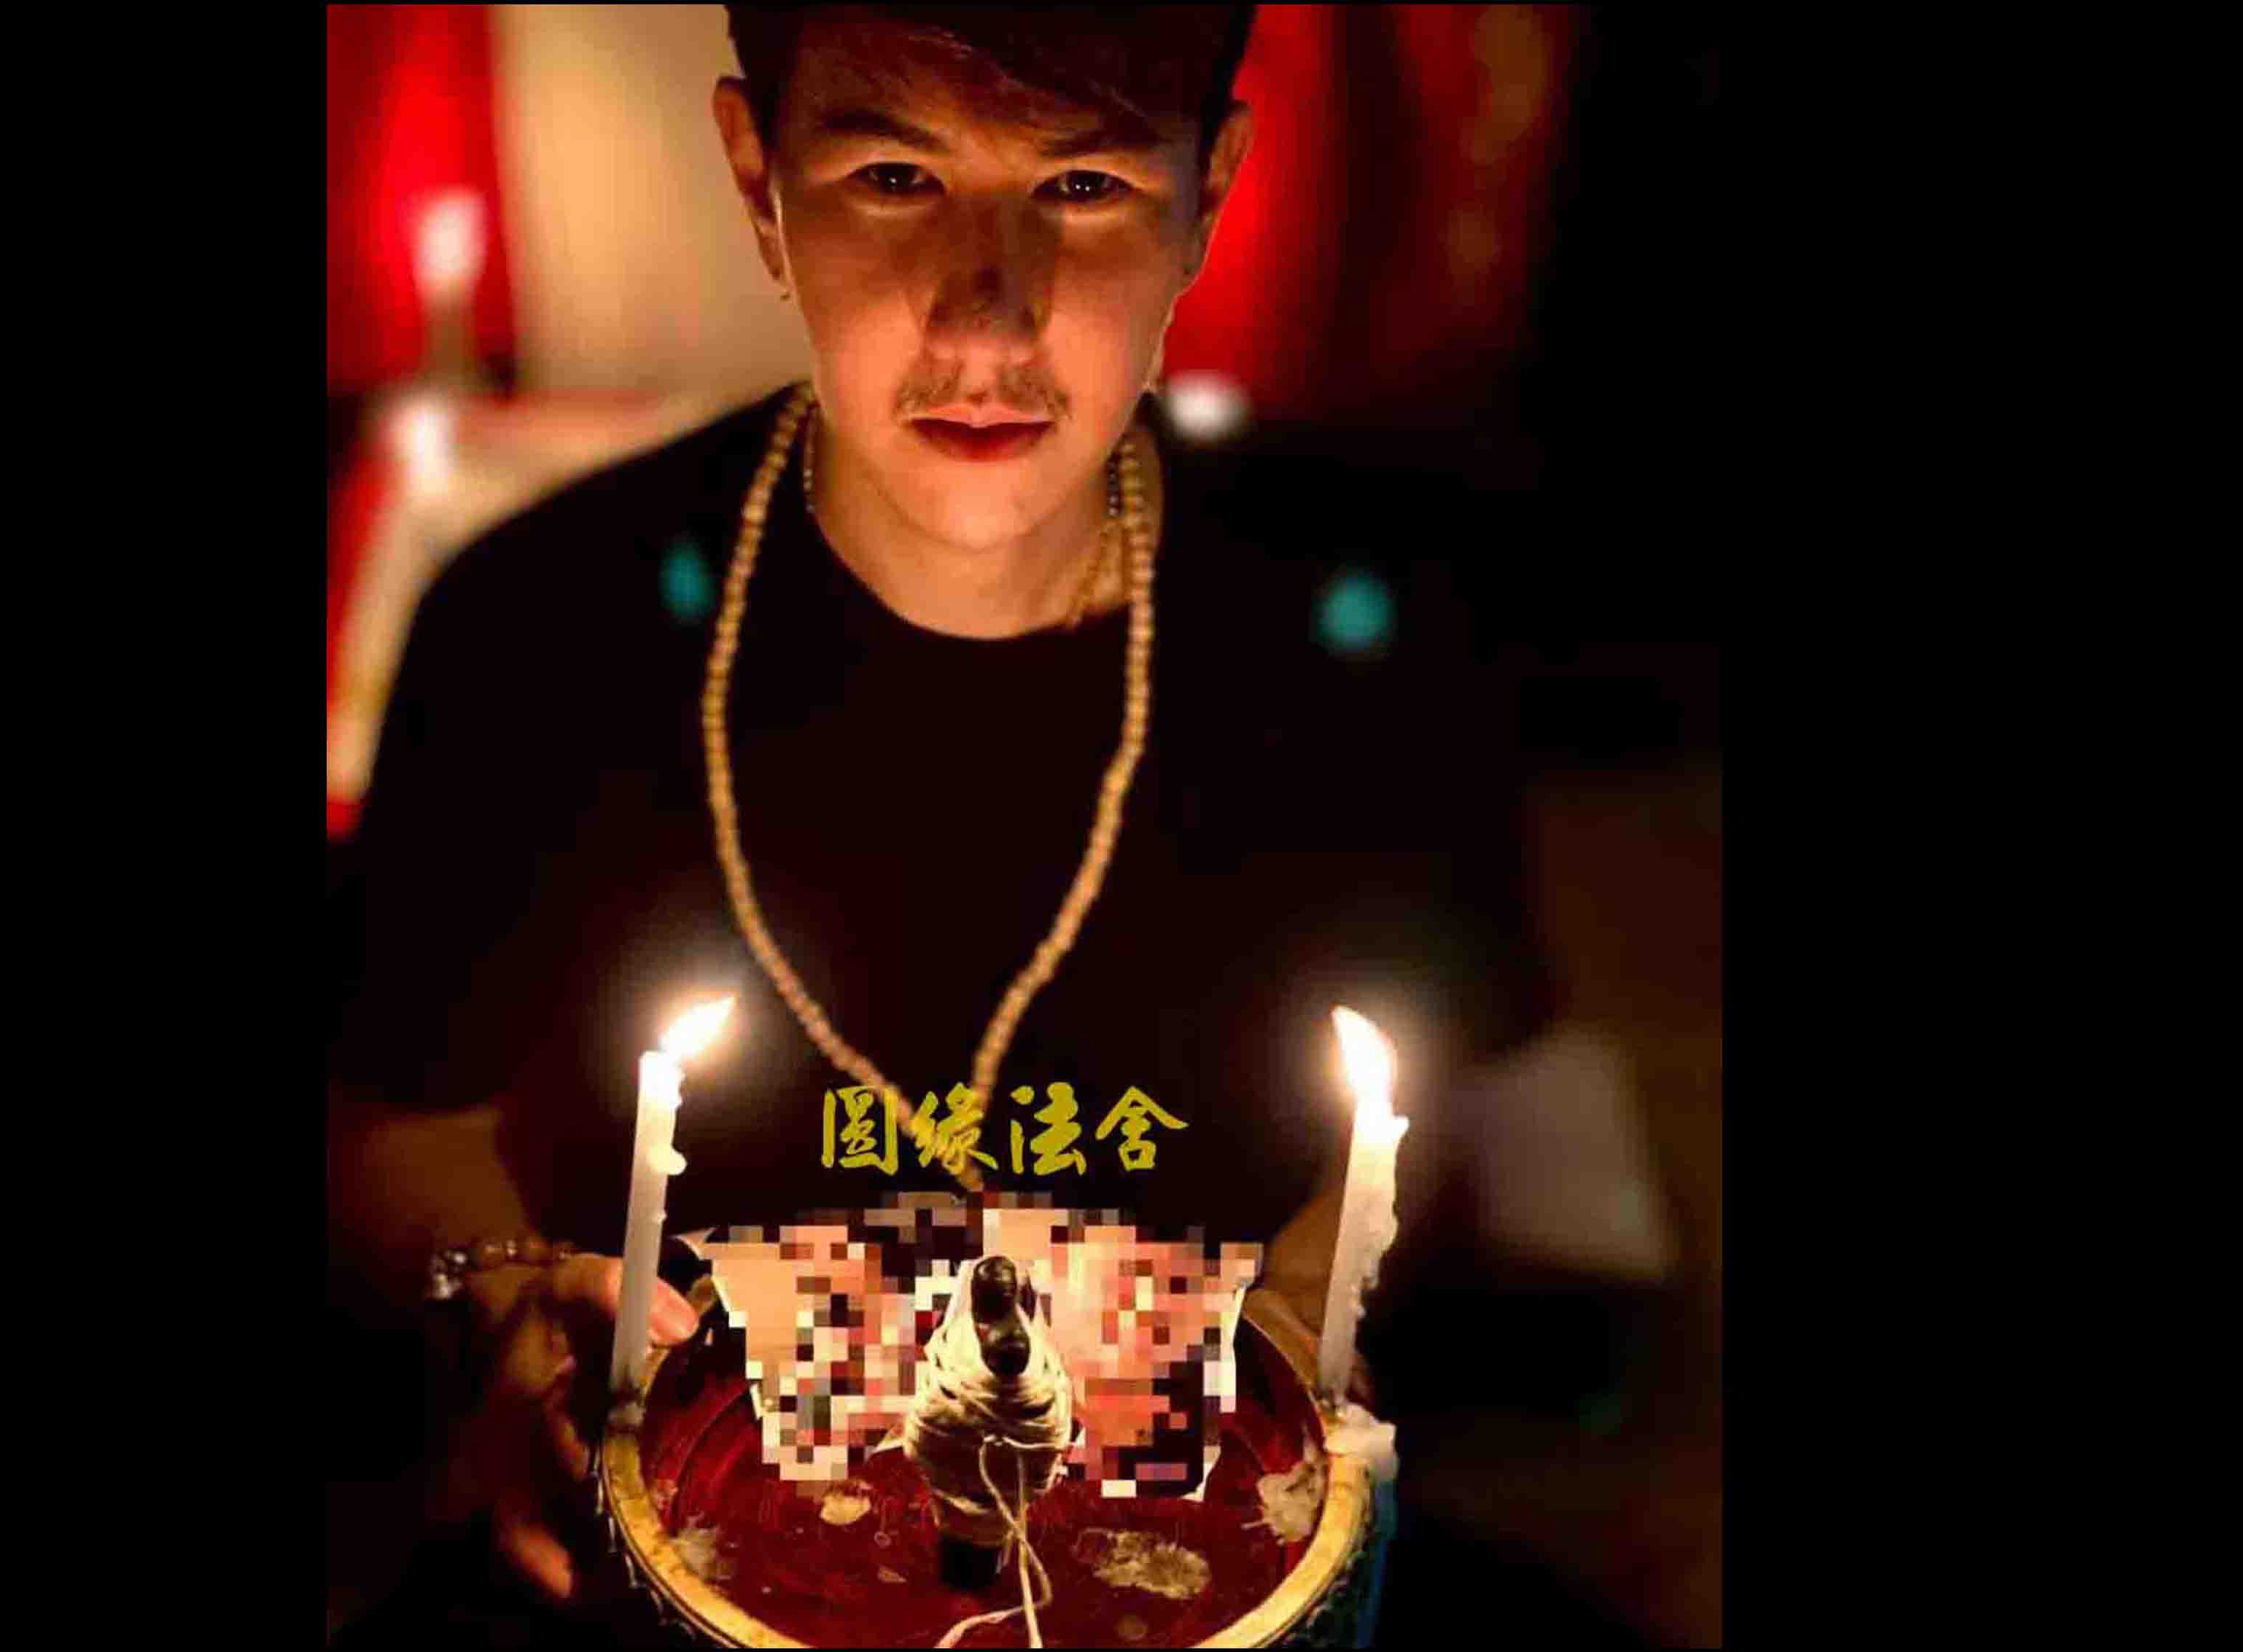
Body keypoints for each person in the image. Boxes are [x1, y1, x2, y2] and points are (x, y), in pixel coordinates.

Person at [327, 2, 1560, 1621]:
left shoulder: (1367, 642)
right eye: (896, 178)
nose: (988, 316)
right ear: (761, 183)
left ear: (1207, 194)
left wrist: (1302, 1325)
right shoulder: (539, 627)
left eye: (1084, 187)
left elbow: (1431, 1098)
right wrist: (502, 1298)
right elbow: (393, 1126)